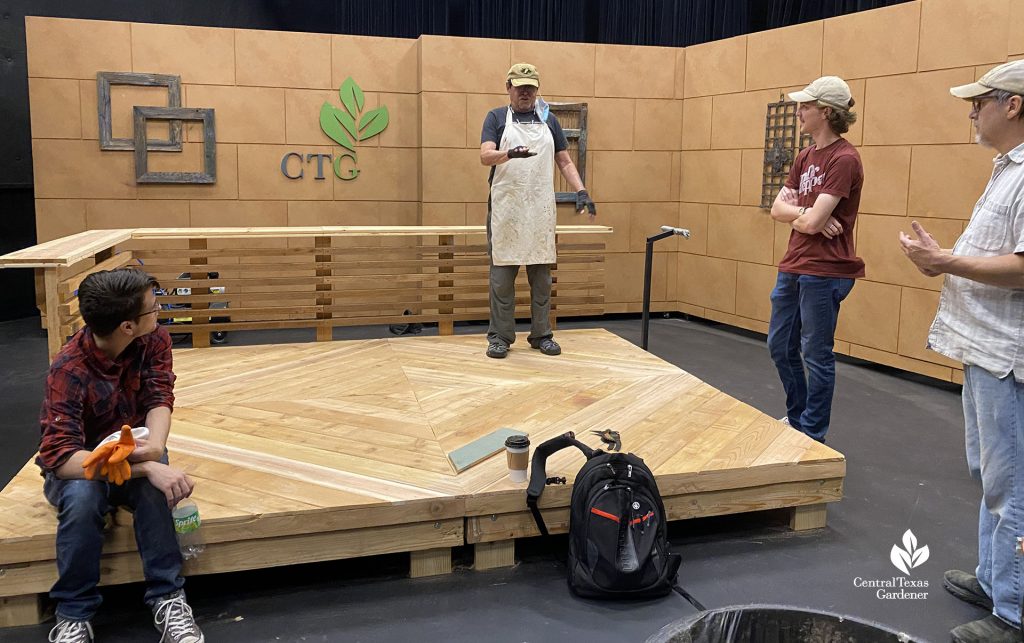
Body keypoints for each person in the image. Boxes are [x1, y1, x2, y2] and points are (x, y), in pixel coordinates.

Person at [899, 59, 1024, 643]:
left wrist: (946, 261)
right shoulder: (1007, 168)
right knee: (990, 473)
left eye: (981, 100)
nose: (972, 110)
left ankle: (1014, 611)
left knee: (1013, 483)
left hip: (1010, 357)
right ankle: (995, 578)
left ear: (1014, 104)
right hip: (986, 350)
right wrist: (945, 258)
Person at [37, 268, 203, 643]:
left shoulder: (154, 340)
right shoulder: (68, 370)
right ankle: (73, 614)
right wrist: (147, 467)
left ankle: (168, 598)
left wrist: (156, 449)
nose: (159, 312)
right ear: (127, 326)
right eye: (153, 308)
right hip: (82, 467)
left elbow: (160, 396)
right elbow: (61, 459)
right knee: (83, 499)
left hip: (136, 451)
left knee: (154, 490)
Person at [767, 76, 865, 443]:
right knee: (780, 347)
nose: (798, 112)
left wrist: (803, 214)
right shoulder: (805, 156)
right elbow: (780, 210)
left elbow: (805, 218)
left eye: (806, 106)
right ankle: (797, 418)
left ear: (825, 112)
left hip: (826, 272)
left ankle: (812, 432)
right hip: (794, 264)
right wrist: (806, 214)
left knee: (816, 353)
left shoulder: (845, 159)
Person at [479, 62, 596, 359]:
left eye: (530, 88)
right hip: (506, 209)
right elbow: (485, 155)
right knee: (502, 280)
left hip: (539, 209)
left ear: (536, 90)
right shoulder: (496, 118)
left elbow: (564, 161)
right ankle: (500, 337)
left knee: (542, 278)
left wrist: (581, 190)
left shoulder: (549, 121)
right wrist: (509, 153)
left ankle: (541, 334)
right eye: (520, 87)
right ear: (508, 88)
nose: (525, 93)